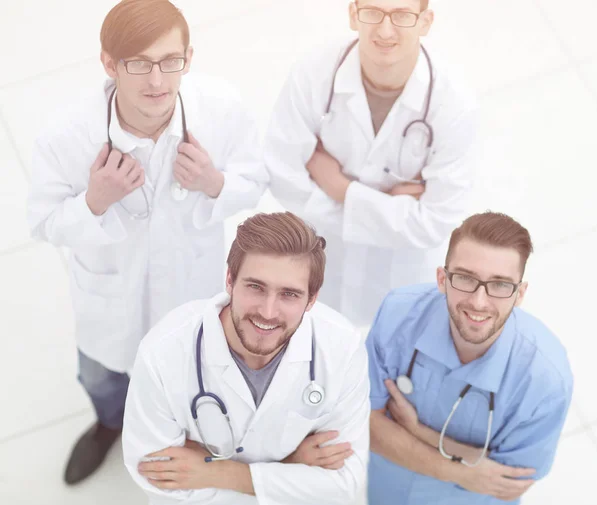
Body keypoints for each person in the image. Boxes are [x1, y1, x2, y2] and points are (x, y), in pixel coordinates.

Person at [27, 0, 267, 485]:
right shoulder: (67, 135)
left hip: (189, 286)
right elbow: (44, 223)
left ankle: (183, 430)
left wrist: (215, 182)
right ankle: (108, 424)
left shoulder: (221, 109)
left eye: (169, 61)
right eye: (137, 64)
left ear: (188, 57)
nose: (156, 81)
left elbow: (256, 179)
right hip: (108, 300)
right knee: (102, 376)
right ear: (109, 64)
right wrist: (94, 201)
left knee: (188, 370)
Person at [122, 212, 370, 505]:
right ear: (230, 279)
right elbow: (156, 476)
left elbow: (344, 483)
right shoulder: (163, 354)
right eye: (256, 287)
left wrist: (222, 474)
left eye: (289, 294)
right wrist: (292, 468)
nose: (267, 312)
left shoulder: (342, 348)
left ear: (312, 299)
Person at [263, 0, 476, 326]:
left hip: (400, 272)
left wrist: (341, 189)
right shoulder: (314, 73)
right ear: (353, 14)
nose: (386, 29)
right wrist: (388, 207)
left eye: (402, 15)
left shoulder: (453, 106)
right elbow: (283, 176)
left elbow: (435, 223)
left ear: (425, 22)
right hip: (319, 258)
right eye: (373, 12)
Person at [366, 212, 573, 504]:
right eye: (465, 278)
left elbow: (510, 481)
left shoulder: (545, 378)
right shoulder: (398, 315)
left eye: (500, 285)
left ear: (520, 294)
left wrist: (414, 430)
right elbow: (363, 422)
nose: (479, 302)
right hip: (387, 490)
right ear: (442, 278)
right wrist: (461, 471)